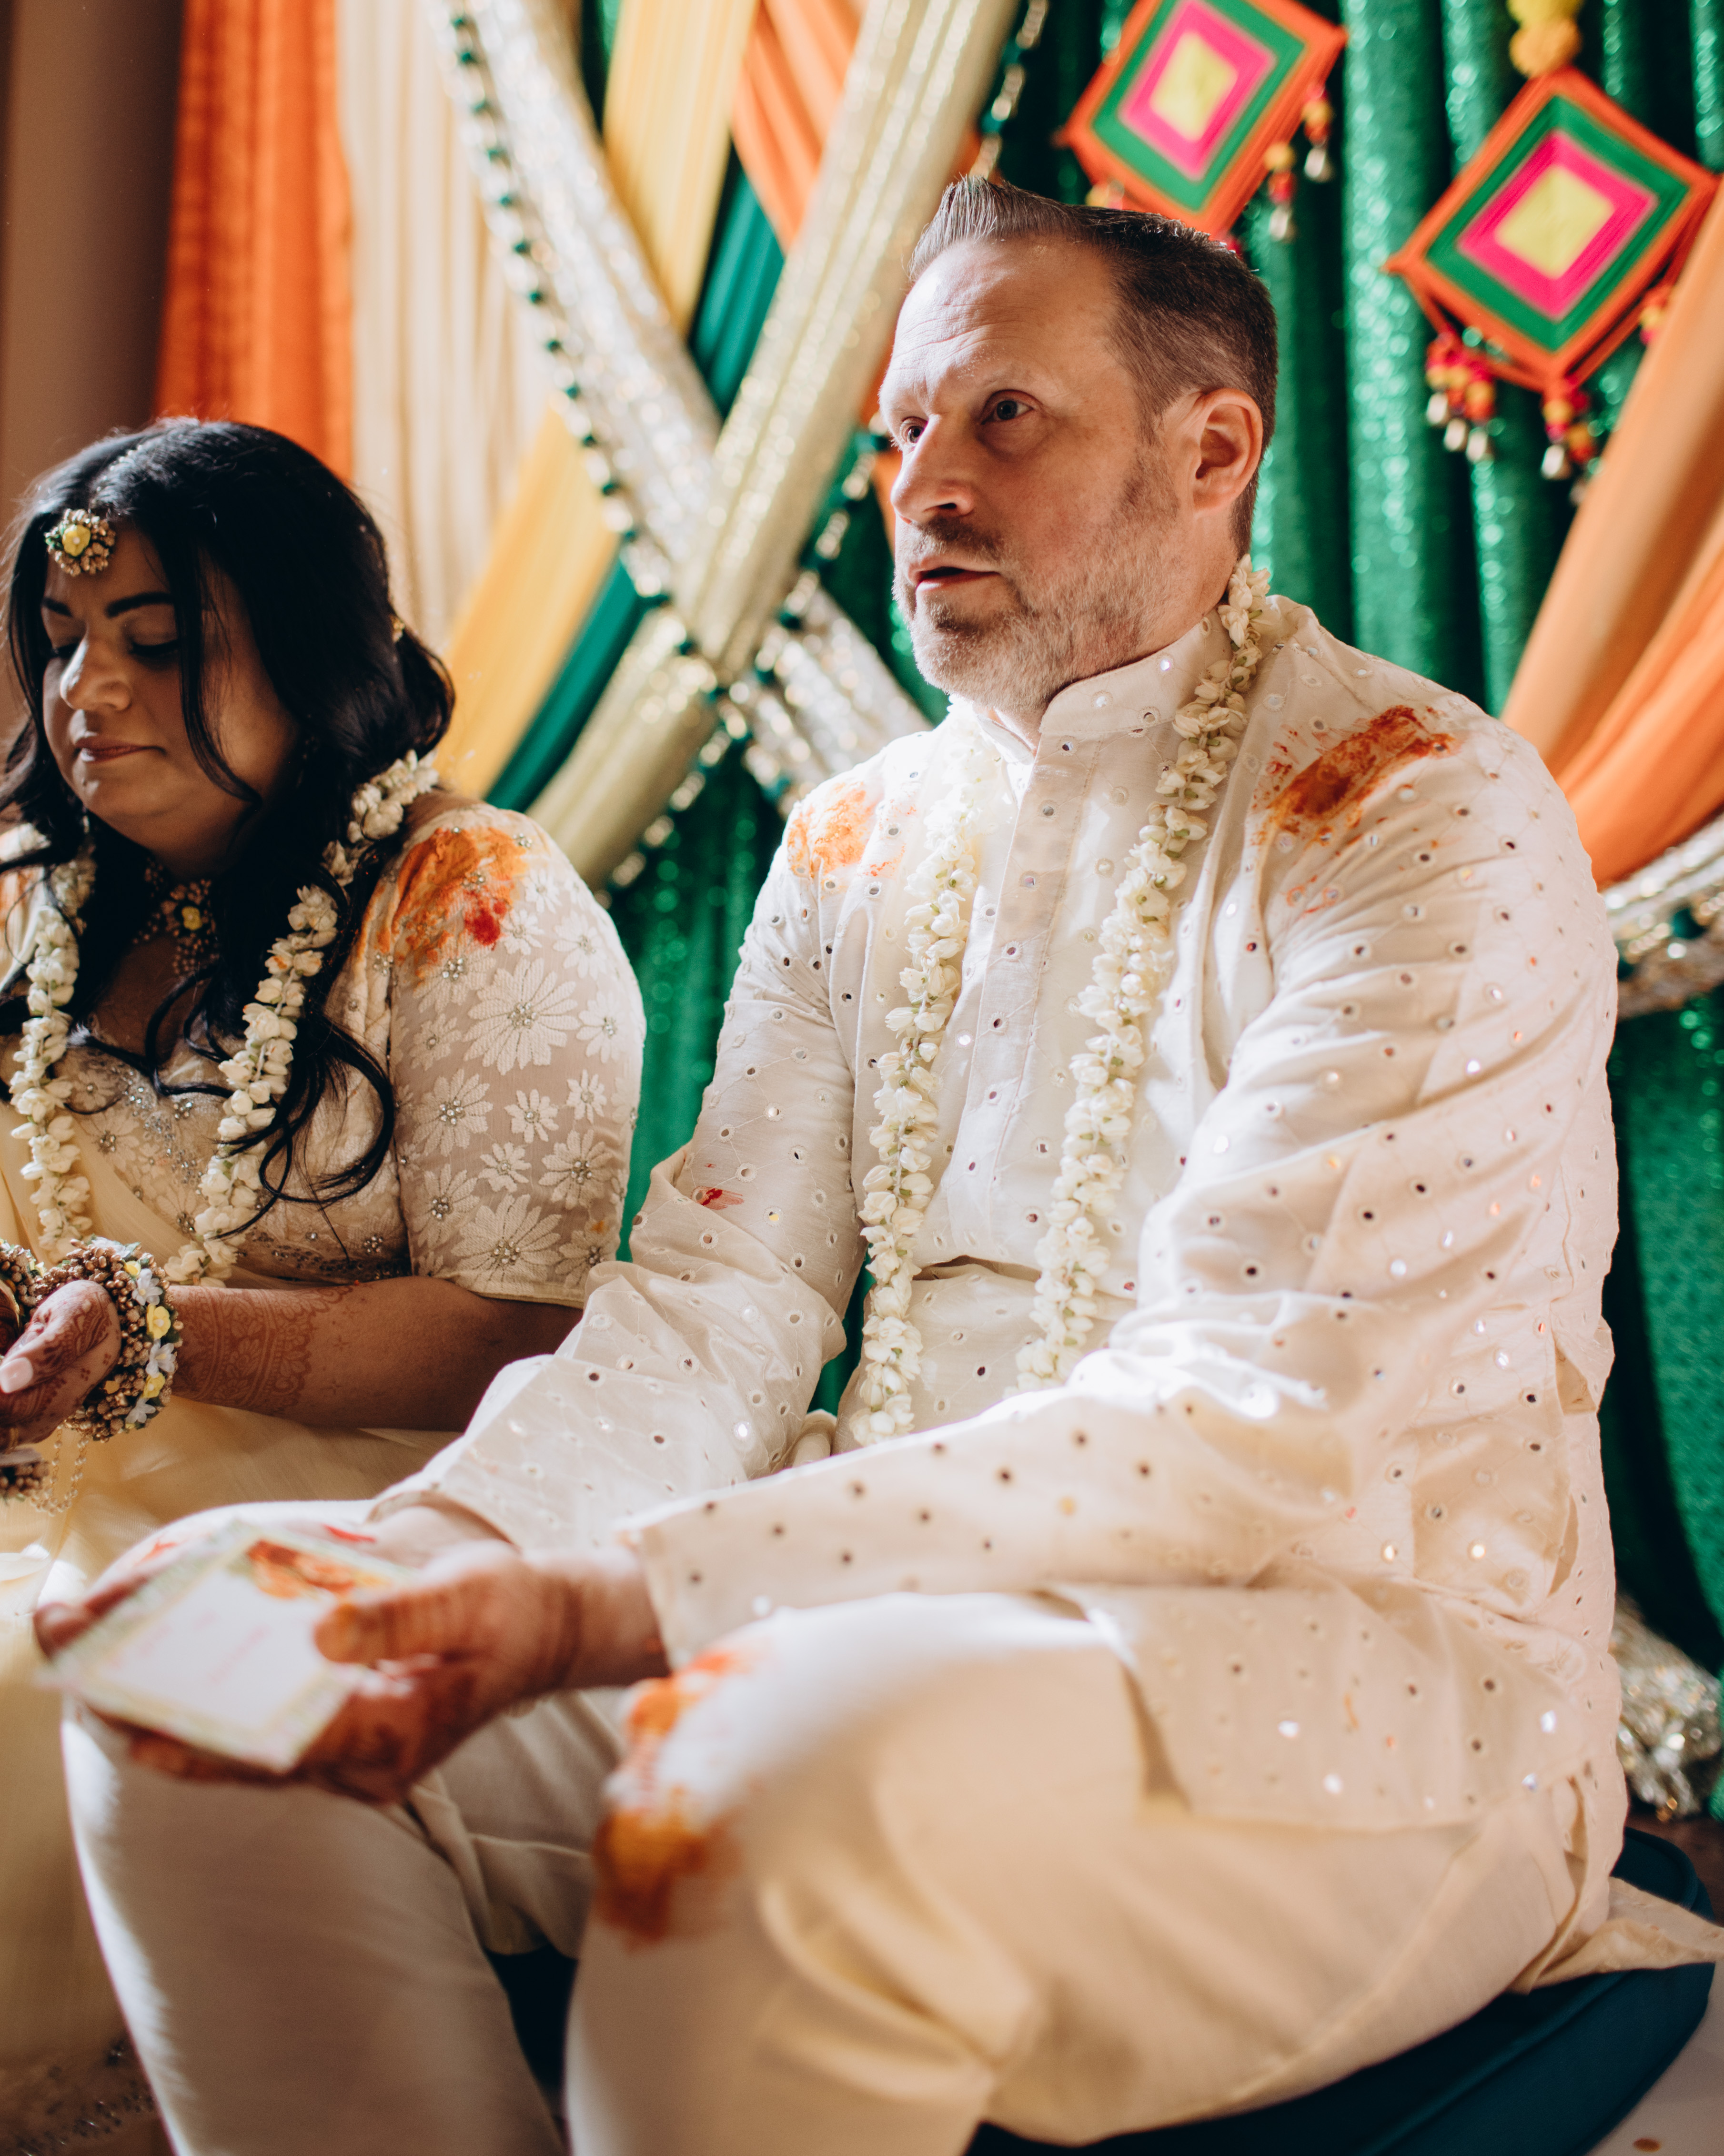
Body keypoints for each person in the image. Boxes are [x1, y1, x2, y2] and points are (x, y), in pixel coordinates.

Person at [48, 192, 1722, 2156]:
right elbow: (718, 1307)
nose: (920, 485)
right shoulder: (856, 839)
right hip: (845, 1623)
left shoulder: (1407, 807)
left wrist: (612, 1605)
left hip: (1347, 1683)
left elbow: (1249, 1419)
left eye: (1000, 416)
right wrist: (427, 1560)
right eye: (899, 430)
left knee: (754, 1778)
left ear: (1209, 452)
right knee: (214, 1708)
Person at [0, 421, 642, 2149]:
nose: (87, 693)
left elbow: (516, 1335)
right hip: (39, 1471)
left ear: (303, 642)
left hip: (363, 1495)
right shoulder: (36, 900)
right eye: (61, 642)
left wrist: (145, 1335)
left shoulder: (469, 900)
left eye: (156, 642)